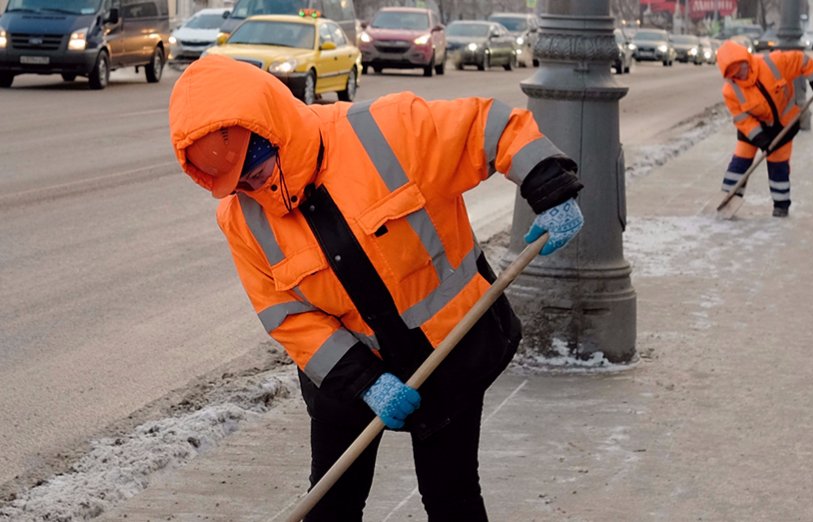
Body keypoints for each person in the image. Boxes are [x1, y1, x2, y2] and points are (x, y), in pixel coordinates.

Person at [167, 55, 584, 521]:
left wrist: (549, 187)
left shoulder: (386, 130)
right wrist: (365, 383)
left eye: (256, 173)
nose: (251, 190)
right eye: (236, 185)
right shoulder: (242, 219)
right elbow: (287, 315)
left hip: (445, 354)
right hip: (347, 380)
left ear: (276, 134)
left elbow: (491, 128)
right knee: (331, 505)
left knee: (451, 495)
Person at [716, 40, 813, 218]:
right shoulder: (731, 90)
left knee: (778, 164)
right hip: (753, 128)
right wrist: (759, 138)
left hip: (784, 123)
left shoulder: (772, 63)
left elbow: (801, 60)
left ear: (747, 59)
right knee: (740, 162)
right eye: (735, 74)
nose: (741, 75)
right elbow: (742, 119)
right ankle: (728, 199)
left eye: (742, 68)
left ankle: (781, 205)